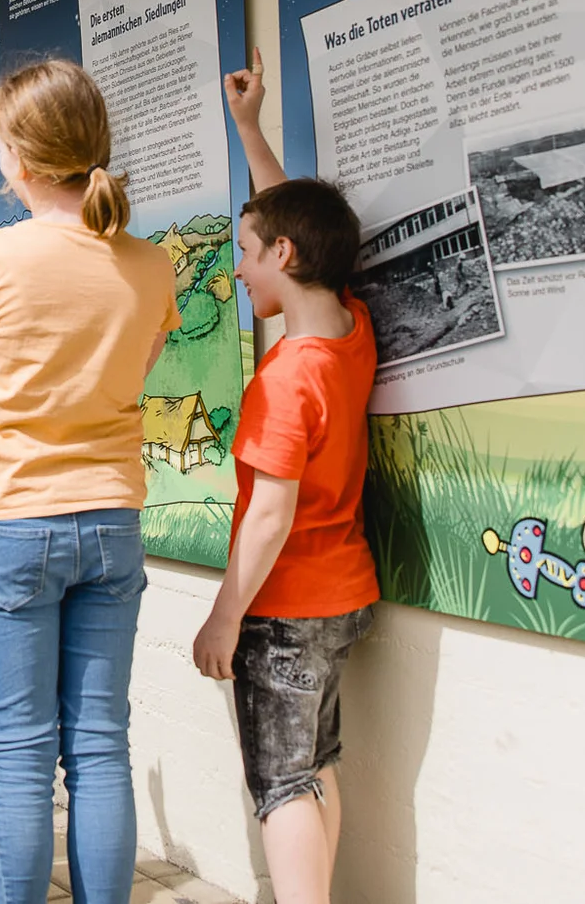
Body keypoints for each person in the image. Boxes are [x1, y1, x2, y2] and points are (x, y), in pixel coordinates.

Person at [0, 60, 181, 904]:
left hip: (12, 523)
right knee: (101, 744)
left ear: (21, 158)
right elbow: (135, 373)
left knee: (20, 752)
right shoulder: (150, 265)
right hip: (110, 519)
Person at [193, 50, 379, 904]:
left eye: (246, 253)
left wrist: (225, 615)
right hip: (343, 597)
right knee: (315, 764)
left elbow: (268, 516)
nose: (238, 268)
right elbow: (296, 229)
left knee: (279, 784)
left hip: (284, 611)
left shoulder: (283, 379)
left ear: (283, 254)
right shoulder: (349, 330)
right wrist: (248, 127)